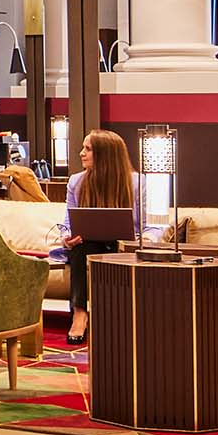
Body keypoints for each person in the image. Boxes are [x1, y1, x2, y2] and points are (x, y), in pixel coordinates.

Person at [57, 129, 135, 346]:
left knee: (114, 248)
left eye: (88, 149)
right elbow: (67, 222)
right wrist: (66, 237)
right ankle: (80, 313)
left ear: (105, 154)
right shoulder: (76, 181)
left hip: (124, 245)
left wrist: (141, 240)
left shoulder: (137, 182)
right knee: (81, 246)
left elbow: (147, 226)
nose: (81, 153)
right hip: (88, 245)